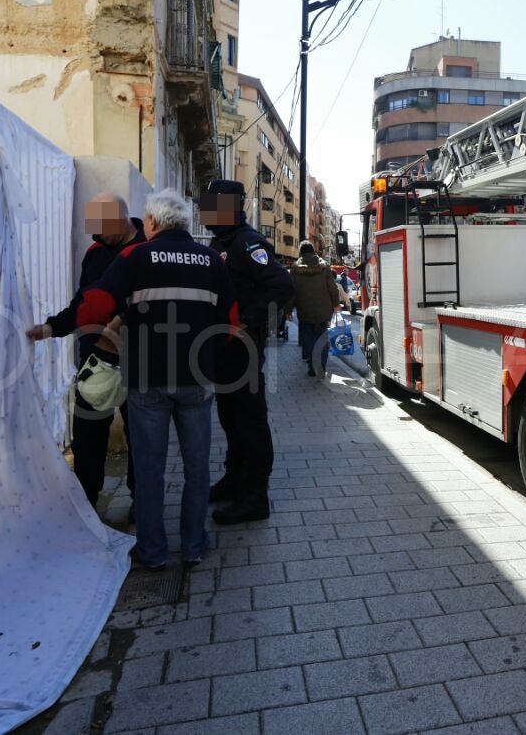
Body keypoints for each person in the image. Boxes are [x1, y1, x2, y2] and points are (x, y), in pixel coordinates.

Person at [74, 188, 236, 570]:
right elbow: (230, 322)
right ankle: (194, 546)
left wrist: (95, 333)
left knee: (149, 469)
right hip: (196, 380)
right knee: (197, 468)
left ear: (150, 222)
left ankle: (153, 552)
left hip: (147, 378)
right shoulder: (212, 259)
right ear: (183, 222)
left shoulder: (135, 256)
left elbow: (95, 304)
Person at [27, 192, 145, 509]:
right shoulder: (95, 253)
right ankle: (87, 503)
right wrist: (51, 328)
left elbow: (153, 305)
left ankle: (140, 499)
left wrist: (119, 325)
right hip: (94, 361)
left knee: (140, 437)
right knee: (87, 436)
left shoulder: (148, 250)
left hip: (137, 361)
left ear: (122, 218)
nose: (96, 234)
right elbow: (82, 303)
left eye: (102, 226)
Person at [199, 179, 294, 524]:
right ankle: (234, 481)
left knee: (249, 422)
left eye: (210, 204)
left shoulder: (249, 243)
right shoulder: (221, 241)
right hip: (223, 351)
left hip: (243, 351)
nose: (203, 211)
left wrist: (248, 324)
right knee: (230, 420)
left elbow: (282, 285)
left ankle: (255, 498)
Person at [291, 241, 342, 377]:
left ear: (301, 252)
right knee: (322, 337)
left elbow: (291, 290)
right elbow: (333, 288)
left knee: (308, 339)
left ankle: (312, 366)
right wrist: (336, 305)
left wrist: (288, 310)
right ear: (314, 251)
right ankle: (322, 364)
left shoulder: (295, 268)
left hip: (304, 309)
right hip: (324, 310)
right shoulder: (324, 266)